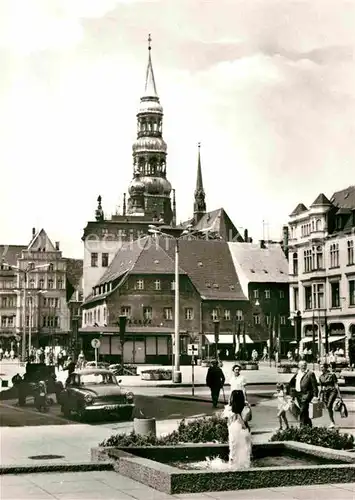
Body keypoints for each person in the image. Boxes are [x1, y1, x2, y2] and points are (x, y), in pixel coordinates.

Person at [288, 360, 318, 427]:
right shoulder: (297, 373)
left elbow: (314, 385)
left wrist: (315, 395)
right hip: (298, 394)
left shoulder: (310, 373)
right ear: (299, 366)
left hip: (306, 394)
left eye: (304, 365)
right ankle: (309, 425)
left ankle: (302, 425)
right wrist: (292, 395)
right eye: (302, 365)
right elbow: (292, 384)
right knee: (304, 411)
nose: (303, 366)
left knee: (302, 410)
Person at [319, 362, 341, 428]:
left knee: (329, 405)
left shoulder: (332, 375)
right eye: (321, 367)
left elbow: (336, 385)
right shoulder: (320, 376)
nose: (321, 368)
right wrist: (318, 395)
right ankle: (332, 421)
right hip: (325, 392)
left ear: (326, 368)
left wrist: (339, 395)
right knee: (328, 407)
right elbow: (321, 387)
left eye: (322, 367)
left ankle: (332, 422)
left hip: (332, 391)